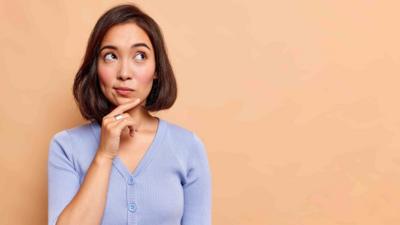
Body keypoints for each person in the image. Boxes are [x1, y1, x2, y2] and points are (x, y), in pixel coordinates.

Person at [47, 4, 211, 225]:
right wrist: (103, 156)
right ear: (96, 67)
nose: (124, 73)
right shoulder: (66, 147)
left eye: (140, 56)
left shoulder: (188, 147)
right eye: (111, 56)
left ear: (157, 71)